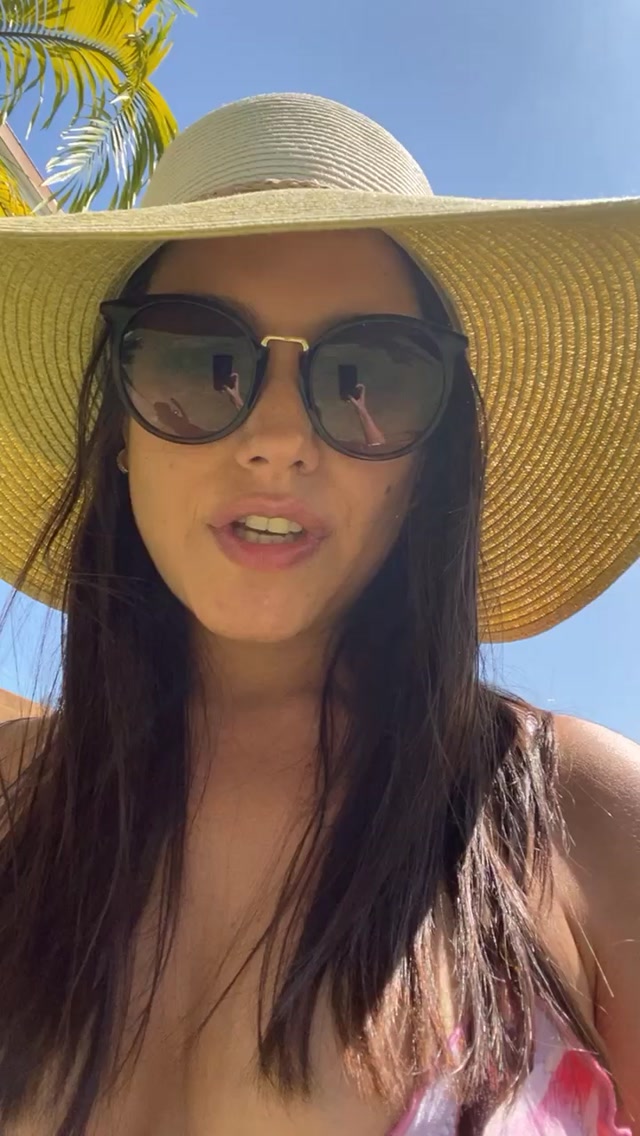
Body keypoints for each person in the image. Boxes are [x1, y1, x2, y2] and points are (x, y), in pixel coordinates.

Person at [0, 92, 638, 1136]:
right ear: (116, 427)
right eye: (197, 359)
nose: (279, 436)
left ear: (432, 461)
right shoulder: (12, 801)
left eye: (368, 375)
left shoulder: (588, 817)